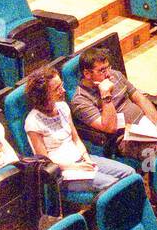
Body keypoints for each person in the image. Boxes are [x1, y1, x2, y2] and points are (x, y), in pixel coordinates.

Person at [69, 47, 157, 164]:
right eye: (102, 70)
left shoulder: (115, 75)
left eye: (108, 67)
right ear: (87, 74)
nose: (108, 74)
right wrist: (106, 96)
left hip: (147, 121)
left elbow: (140, 99)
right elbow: (110, 128)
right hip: (125, 137)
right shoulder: (80, 100)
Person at [23, 68, 133, 196]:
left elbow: (75, 139)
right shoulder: (33, 122)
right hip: (64, 173)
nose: (63, 90)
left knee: (129, 174)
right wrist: (75, 167)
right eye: (57, 89)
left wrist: (86, 158)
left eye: (62, 86)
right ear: (43, 95)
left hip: (82, 159)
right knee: (113, 185)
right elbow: (46, 163)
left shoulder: (63, 107)